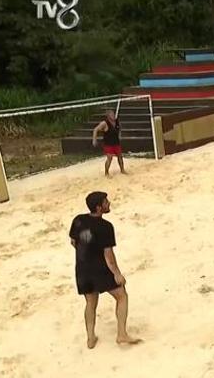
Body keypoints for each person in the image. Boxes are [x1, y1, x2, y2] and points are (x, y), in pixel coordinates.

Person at [69, 191, 141, 349]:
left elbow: (73, 242)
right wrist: (117, 274)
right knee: (122, 296)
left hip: (82, 268)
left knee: (90, 303)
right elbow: (109, 256)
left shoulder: (78, 220)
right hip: (100, 269)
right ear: (98, 207)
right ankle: (121, 334)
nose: (109, 203)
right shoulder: (106, 227)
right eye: (106, 202)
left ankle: (90, 338)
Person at [92, 109, 126, 177]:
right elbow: (95, 129)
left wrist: (120, 135)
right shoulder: (104, 123)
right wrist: (94, 140)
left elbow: (120, 128)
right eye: (111, 115)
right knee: (110, 158)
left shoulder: (117, 122)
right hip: (108, 144)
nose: (113, 115)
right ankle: (106, 172)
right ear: (108, 116)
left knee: (120, 156)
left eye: (113, 114)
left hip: (116, 142)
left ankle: (122, 170)